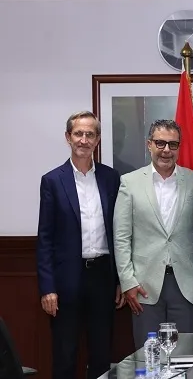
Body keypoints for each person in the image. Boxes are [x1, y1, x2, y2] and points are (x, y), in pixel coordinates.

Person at [36, 111, 124, 379]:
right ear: (68, 137)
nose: (84, 140)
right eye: (78, 134)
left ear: (97, 139)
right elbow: (45, 238)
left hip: (103, 277)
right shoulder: (53, 181)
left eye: (90, 134)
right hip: (66, 280)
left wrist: (120, 279)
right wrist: (47, 287)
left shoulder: (111, 178)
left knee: (101, 354)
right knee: (65, 354)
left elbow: (119, 232)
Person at [113, 119, 193, 348]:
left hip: (186, 284)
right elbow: (121, 237)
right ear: (149, 144)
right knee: (148, 356)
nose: (166, 150)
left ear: (179, 147)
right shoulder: (129, 182)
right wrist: (127, 282)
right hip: (144, 286)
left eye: (173, 144)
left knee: (184, 355)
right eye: (160, 143)